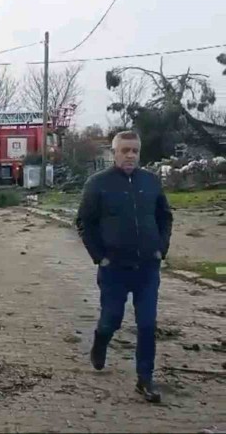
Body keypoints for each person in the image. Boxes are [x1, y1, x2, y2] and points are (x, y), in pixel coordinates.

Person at [76, 130, 173, 404]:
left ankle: (145, 379)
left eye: (135, 151)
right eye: (125, 150)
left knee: (147, 324)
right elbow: (84, 222)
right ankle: (100, 340)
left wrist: (161, 249)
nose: (130, 156)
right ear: (114, 153)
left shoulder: (150, 182)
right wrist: (100, 256)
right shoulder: (98, 184)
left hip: (147, 268)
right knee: (112, 318)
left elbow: (165, 217)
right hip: (114, 269)